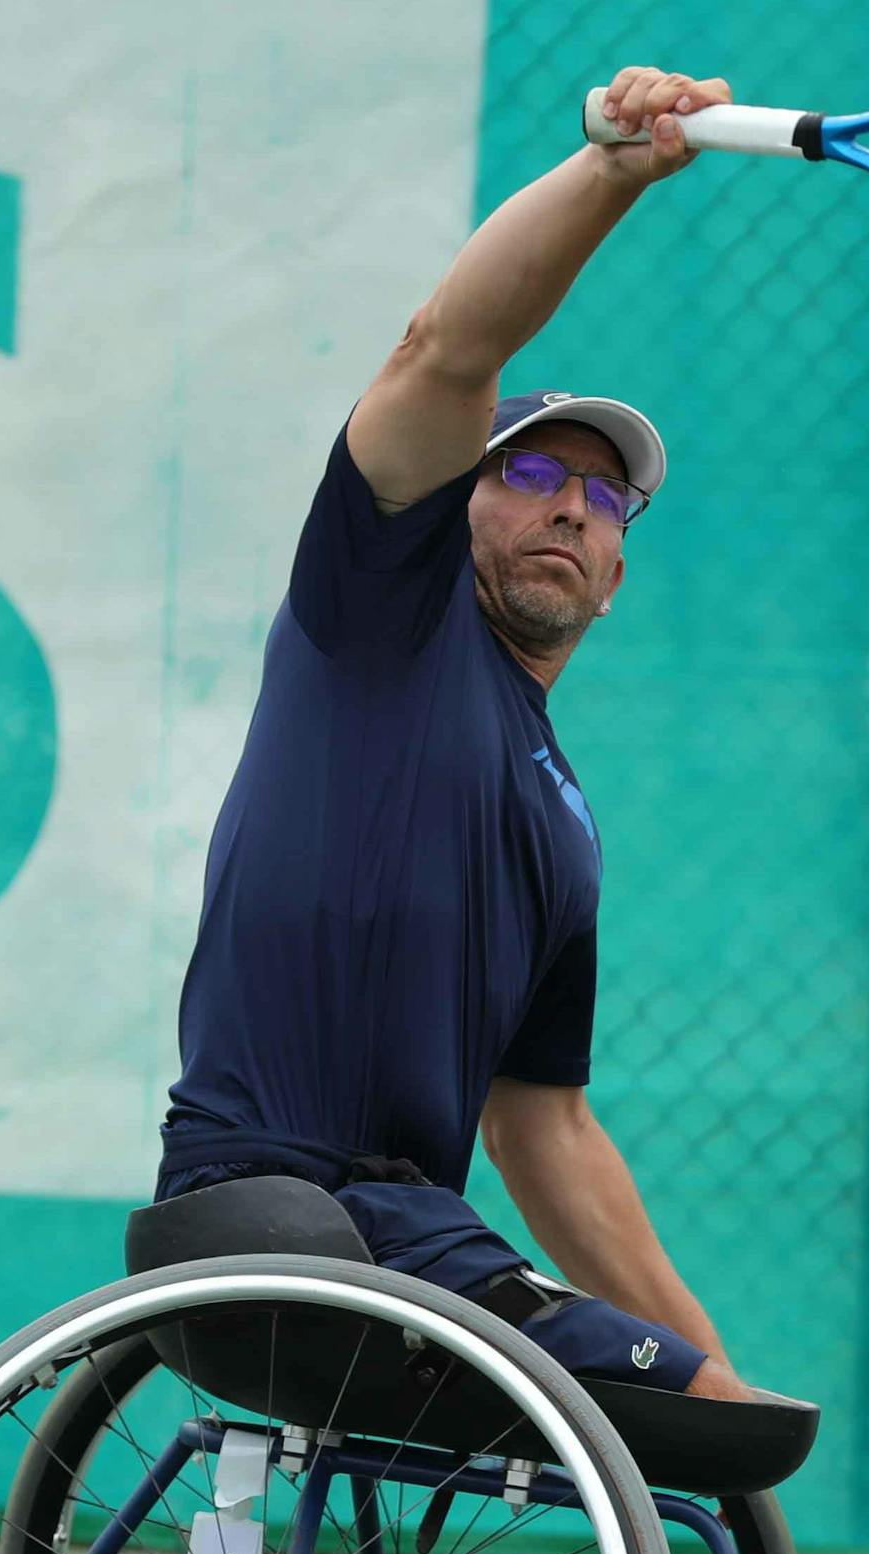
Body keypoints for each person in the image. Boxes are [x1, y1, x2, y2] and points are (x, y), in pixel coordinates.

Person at [157, 65, 768, 1406]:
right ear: (458, 499)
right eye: (532, 471)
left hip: (419, 1242)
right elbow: (448, 347)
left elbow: (543, 1127)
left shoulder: (562, 823)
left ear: (617, 573)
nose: (568, 507)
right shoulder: (378, 623)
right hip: (274, 1207)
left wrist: (714, 1372)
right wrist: (612, 170)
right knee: (676, 1415)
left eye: (604, 500)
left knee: (713, 1423)